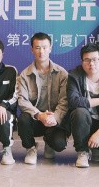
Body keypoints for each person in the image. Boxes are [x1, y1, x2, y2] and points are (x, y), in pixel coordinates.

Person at [16, 32, 70, 165]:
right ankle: (31, 148)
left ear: (50, 48)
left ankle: (49, 142)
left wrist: (54, 117)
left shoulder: (62, 73)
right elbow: (22, 101)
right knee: (23, 119)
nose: (41, 51)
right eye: (37, 48)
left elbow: (65, 100)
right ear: (32, 49)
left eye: (45, 47)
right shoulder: (24, 75)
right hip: (36, 119)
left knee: (59, 144)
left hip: (54, 120)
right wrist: (39, 115)